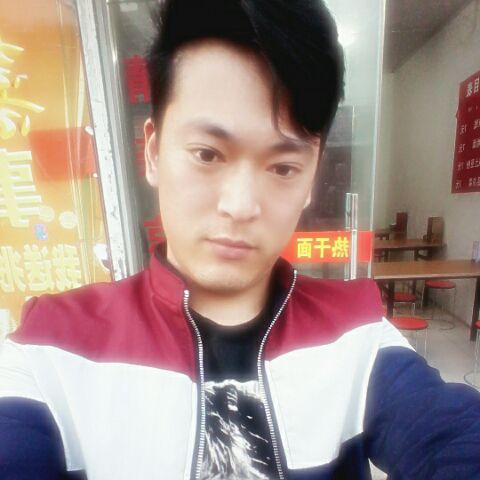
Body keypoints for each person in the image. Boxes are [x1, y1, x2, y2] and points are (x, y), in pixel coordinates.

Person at [1, 0, 480, 479]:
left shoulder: (356, 333)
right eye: (207, 154)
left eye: (283, 167)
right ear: (153, 152)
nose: (241, 204)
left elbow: (453, 436)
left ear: (311, 180)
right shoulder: (52, 350)